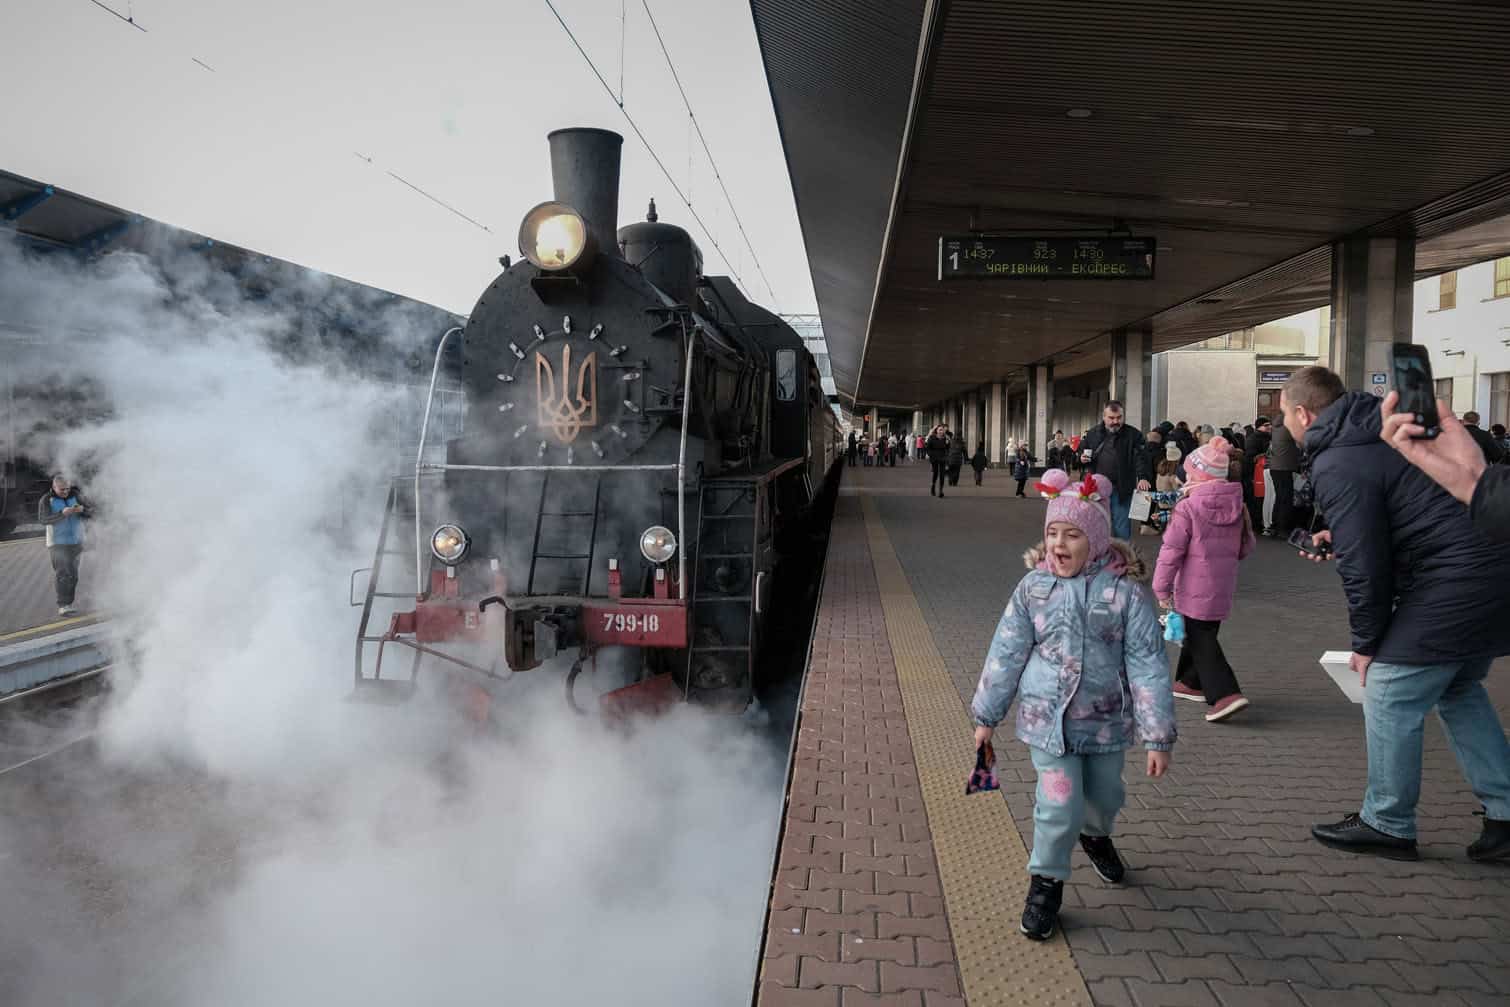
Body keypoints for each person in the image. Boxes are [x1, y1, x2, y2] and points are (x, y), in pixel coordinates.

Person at [1280, 367, 1510, 863]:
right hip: (1492, 563)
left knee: (1388, 688)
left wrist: (1367, 643)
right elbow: (1400, 514)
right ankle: (1506, 812)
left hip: (1457, 575)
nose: (1285, 425)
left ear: (1304, 413)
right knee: (1456, 687)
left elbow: (1366, 565)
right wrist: (1340, 536)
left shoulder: (1336, 458)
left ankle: (1387, 821)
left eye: (1284, 415)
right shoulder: (1380, 426)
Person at [970, 469, 1175, 941]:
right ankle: (1046, 884)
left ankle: (1096, 834)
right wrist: (986, 716)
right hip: (1048, 725)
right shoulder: (1032, 590)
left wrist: (1157, 735)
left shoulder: (1125, 597)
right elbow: (1006, 653)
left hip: (1105, 726)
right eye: (1053, 533)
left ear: (1099, 540)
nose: (1059, 544)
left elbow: (1148, 666)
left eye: (1074, 534)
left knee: (1104, 798)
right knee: (1057, 805)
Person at [1152, 437, 1256, 722]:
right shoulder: (1237, 504)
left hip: (1192, 586)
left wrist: (1160, 587)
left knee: (1201, 640)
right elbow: (1246, 547)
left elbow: (1171, 552)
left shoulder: (1188, 508)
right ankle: (1190, 682)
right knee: (1202, 631)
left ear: (1196, 474)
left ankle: (1225, 694)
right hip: (1221, 585)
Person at [1379, 391, 1510, 546]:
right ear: (1478, 420)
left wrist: (1474, 486)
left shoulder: (1444, 435)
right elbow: (1498, 456)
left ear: (1464, 420)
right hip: (1481, 500)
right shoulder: (1483, 435)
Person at [1079, 401, 1151, 539]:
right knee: (1097, 526)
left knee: (1121, 528)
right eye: (1111, 418)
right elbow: (1082, 452)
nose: (1115, 421)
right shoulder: (1092, 434)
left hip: (1121, 488)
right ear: (1104, 417)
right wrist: (1081, 458)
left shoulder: (1133, 435)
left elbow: (1141, 458)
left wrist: (1143, 477)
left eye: (1119, 417)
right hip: (1097, 488)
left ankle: (1123, 558)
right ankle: (1100, 559)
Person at [38, 474, 91, 616]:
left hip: (77, 541)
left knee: (73, 574)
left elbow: (91, 513)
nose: (65, 492)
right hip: (57, 544)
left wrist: (82, 510)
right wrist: (62, 514)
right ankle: (63, 605)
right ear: (54, 487)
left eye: (67, 489)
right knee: (62, 573)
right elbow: (43, 520)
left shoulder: (77, 496)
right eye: (62, 490)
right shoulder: (46, 500)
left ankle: (69, 603)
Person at [1266, 416, 1300, 537]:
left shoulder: (1275, 428)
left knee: (1280, 497)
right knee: (1286, 498)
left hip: (1275, 467)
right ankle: (1283, 528)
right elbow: (1301, 441)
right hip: (1284, 467)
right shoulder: (1287, 428)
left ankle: (1275, 525)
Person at [926, 425, 950, 497]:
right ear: (936, 431)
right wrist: (931, 455)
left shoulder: (945, 439)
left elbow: (948, 448)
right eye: (939, 430)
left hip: (942, 458)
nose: (941, 431)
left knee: (942, 474)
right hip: (934, 458)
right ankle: (933, 485)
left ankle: (940, 491)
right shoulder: (932, 438)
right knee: (935, 473)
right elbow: (927, 448)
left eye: (942, 430)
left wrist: (948, 443)